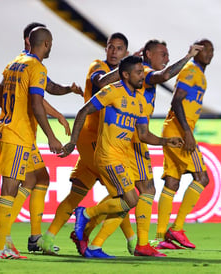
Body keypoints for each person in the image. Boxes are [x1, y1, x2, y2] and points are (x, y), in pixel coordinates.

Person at [79, 40, 203, 257]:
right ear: (148, 55)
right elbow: (164, 76)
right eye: (162, 54)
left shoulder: (140, 76)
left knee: (137, 193)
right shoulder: (144, 72)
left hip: (137, 136)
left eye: (167, 54)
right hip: (132, 140)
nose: (166, 58)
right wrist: (187, 57)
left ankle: (98, 235)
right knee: (140, 192)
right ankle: (96, 226)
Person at [59, 55, 184, 258]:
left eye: (142, 72)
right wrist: (73, 142)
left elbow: (143, 135)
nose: (142, 76)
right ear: (125, 74)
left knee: (125, 203)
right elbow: (83, 111)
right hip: (107, 155)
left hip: (123, 157)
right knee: (132, 199)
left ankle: (93, 243)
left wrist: (166, 141)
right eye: (138, 72)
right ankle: (86, 215)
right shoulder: (112, 91)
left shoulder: (140, 102)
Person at [0, 22, 83, 256]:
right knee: (9, 189)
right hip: (17, 135)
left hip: (14, 131)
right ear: (47, 44)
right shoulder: (36, 68)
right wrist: (51, 136)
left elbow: (1, 96)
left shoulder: (15, 64)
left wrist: (68, 90)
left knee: (40, 178)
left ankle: (32, 238)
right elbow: (35, 103)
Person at [37, 33, 135, 255]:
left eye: (119, 49)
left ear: (125, 52)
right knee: (123, 195)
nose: (113, 51)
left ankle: (48, 238)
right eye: (111, 47)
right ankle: (131, 241)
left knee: (77, 193)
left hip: (96, 141)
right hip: (92, 139)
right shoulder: (97, 66)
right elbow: (100, 82)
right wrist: (126, 70)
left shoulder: (125, 80)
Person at [153, 39, 214, 250]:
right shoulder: (190, 71)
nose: (209, 53)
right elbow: (176, 100)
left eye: (212, 50)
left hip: (172, 129)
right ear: (195, 52)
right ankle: (176, 228)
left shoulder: (200, 74)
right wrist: (188, 133)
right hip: (180, 132)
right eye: (204, 49)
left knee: (172, 182)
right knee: (202, 177)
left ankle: (159, 237)